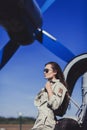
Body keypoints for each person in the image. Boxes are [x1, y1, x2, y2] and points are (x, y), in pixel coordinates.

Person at [31, 62, 67, 130]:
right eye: (44, 70)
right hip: (38, 125)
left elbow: (55, 105)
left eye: (47, 70)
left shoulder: (60, 86)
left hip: (46, 126)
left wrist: (49, 90)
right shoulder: (45, 87)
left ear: (55, 72)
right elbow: (38, 104)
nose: (44, 72)